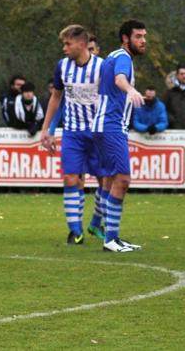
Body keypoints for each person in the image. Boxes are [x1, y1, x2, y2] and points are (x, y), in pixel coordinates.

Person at [40, 24, 106, 245]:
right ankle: (75, 231)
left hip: (98, 133)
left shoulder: (102, 67)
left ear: (81, 44)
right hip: (72, 132)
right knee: (70, 177)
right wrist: (47, 129)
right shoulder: (62, 67)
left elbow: (112, 99)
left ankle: (96, 222)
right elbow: (56, 98)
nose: (64, 48)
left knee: (105, 180)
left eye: (67, 43)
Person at [91, 20, 148, 253]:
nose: (143, 40)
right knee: (122, 180)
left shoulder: (112, 57)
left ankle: (105, 231)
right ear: (126, 38)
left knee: (110, 180)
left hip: (105, 125)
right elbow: (119, 79)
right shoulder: (123, 58)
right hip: (111, 126)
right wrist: (131, 89)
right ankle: (111, 239)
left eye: (144, 36)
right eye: (138, 36)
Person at [163, 65, 185, 130]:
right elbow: (163, 109)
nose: (184, 76)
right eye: (181, 74)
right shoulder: (169, 92)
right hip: (173, 129)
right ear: (177, 75)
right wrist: (172, 120)